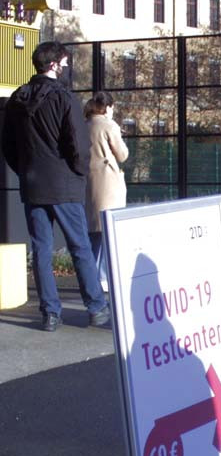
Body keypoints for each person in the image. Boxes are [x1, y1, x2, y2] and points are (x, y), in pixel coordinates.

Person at [1, 41, 109, 331]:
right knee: (80, 247)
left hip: (33, 184)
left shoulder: (17, 99)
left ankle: (50, 313)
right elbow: (78, 143)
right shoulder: (65, 98)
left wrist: (26, 170)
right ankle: (96, 308)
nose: (65, 66)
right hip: (65, 184)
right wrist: (77, 172)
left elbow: (8, 145)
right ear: (53, 65)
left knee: (41, 250)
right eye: (62, 62)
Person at [84, 92, 129, 289]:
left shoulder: (84, 124)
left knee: (94, 233)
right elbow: (122, 154)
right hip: (108, 183)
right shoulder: (109, 125)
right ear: (108, 107)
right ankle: (102, 278)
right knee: (107, 233)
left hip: (89, 182)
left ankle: (91, 277)